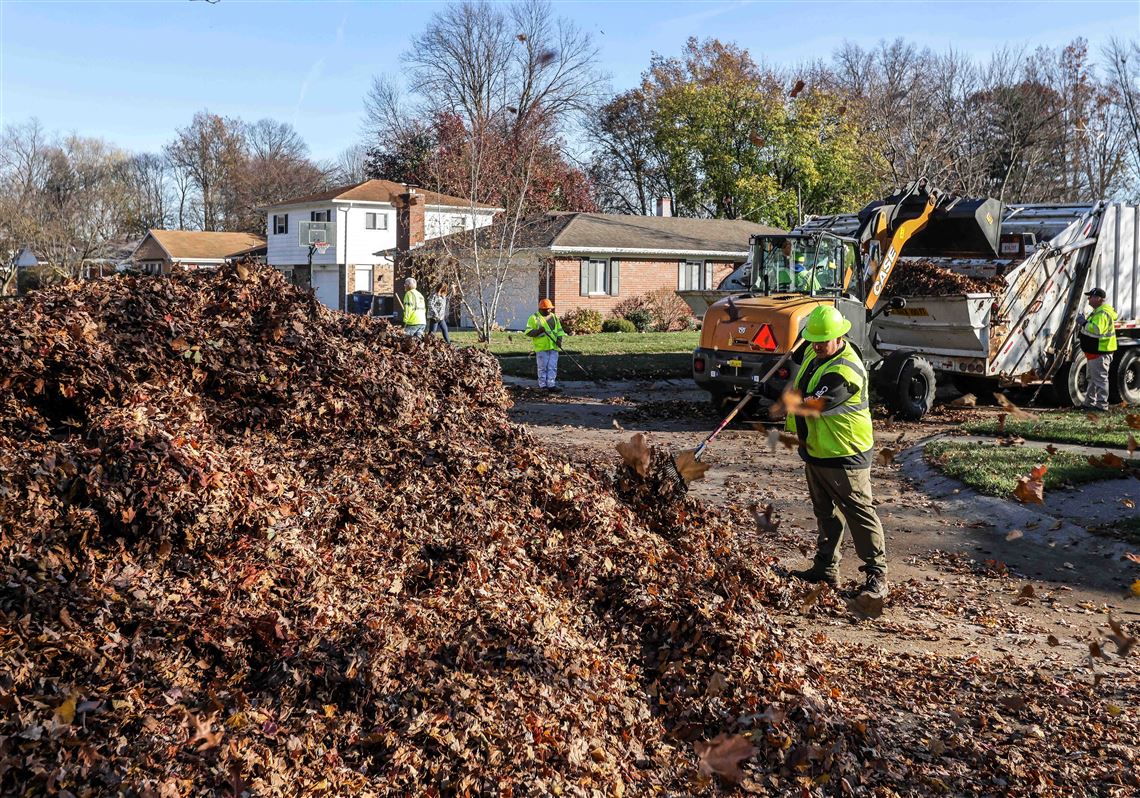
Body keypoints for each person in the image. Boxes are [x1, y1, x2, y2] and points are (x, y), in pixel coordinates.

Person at [755, 305, 888, 598]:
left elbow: (812, 404)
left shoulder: (844, 372)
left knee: (859, 513)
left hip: (844, 453)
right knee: (826, 514)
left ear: (840, 337)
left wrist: (772, 393)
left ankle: (877, 576)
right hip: (817, 451)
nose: (816, 346)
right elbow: (800, 384)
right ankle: (825, 570)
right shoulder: (818, 358)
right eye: (813, 340)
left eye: (822, 341)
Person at [1077, 287, 1117, 411]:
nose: (1088, 299)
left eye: (1091, 297)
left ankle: (1101, 405)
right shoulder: (1099, 312)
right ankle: (1089, 403)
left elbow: (1096, 331)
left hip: (1100, 352)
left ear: (1098, 298)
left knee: (1100, 380)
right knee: (1093, 379)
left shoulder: (1102, 313)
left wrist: (1083, 322)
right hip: (1095, 352)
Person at [525, 299, 565, 391]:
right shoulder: (534, 318)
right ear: (541, 309)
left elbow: (559, 331)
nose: (549, 310)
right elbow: (528, 332)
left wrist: (559, 340)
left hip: (554, 347)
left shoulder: (554, 318)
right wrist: (538, 331)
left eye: (550, 308)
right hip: (542, 347)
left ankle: (551, 385)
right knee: (542, 367)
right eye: (547, 309)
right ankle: (542, 385)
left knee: (552, 366)